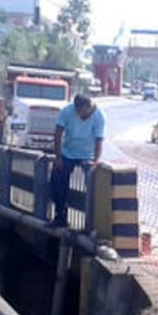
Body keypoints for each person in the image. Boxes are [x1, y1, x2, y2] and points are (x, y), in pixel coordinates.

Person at [50, 94, 105, 227]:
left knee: (93, 186)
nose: (82, 115)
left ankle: (91, 224)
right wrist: (58, 157)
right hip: (68, 152)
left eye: (86, 112)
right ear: (76, 108)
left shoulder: (99, 116)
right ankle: (60, 216)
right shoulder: (67, 111)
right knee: (57, 181)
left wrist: (96, 160)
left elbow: (99, 140)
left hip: (87, 155)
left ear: (90, 107)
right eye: (80, 112)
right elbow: (58, 133)